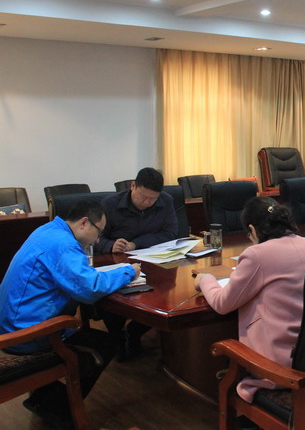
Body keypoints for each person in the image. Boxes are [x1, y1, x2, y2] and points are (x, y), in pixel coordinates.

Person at [0, 201, 140, 429]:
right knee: (104, 345)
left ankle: (42, 400)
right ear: (84, 223)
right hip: (26, 335)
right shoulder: (64, 244)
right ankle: (58, 410)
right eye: (99, 232)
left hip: (11, 323)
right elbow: (90, 288)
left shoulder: (48, 230)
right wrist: (128, 271)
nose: (98, 240)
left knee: (90, 337)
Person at [195, 197, 305, 406]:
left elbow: (222, 304)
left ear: (252, 229)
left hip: (278, 367)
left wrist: (205, 279)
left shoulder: (257, 255)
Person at [95, 167, 177, 361]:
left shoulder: (166, 201)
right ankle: (116, 338)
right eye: (143, 197)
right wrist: (110, 245)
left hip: (155, 263)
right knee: (114, 300)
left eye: (153, 199)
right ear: (133, 186)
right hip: (117, 264)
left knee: (164, 297)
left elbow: (170, 233)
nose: (147, 202)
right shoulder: (109, 205)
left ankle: (135, 331)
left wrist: (135, 244)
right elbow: (94, 238)